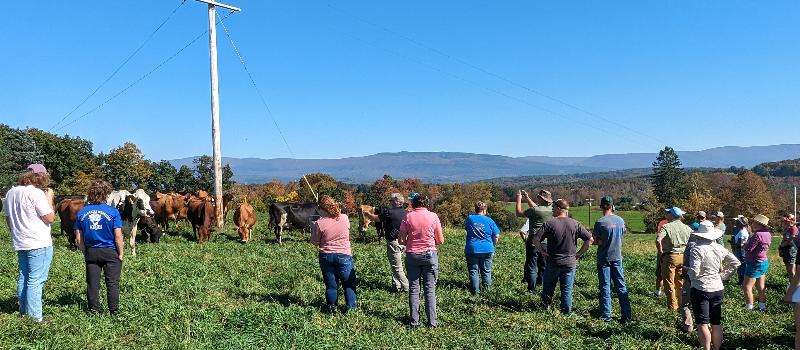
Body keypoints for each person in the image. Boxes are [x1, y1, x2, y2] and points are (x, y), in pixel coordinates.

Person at [3, 164, 55, 322]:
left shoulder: (10, 193)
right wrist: (50, 198)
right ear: (40, 177)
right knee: (35, 280)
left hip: (20, 241)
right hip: (38, 241)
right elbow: (50, 218)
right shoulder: (37, 193)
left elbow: (8, 219)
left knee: (23, 276)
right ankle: (35, 318)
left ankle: (24, 310)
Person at [531, 199, 593, 314]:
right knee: (566, 291)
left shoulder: (549, 223)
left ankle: (543, 310)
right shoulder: (575, 223)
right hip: (569, 263)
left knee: (548, 289)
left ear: (559, 209)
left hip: (553, 262)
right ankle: (566, 313)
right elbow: (590, 239)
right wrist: (579, 253)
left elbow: (535, 239)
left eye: (554, 207)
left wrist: (543, 252)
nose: (552, 210)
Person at [686, 221, 741, 350]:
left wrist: (688, 274)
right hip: (717, 288)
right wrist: (723, 276)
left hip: (701, 288)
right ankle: (717, 348)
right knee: (716, 322)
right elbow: (735, 262)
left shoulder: (697, 249)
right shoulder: (719, 247)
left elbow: (694, 270)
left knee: (702, 323)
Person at [74, 180, 124, 315]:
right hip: (110, 251)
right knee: (112, 282)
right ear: (106, 194)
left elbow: (79, 238)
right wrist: (120, 253)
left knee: (92, 283)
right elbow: (118, 235)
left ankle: (94, 310)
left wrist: (86, 252)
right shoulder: (113, 212)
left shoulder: (82, 212)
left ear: (91, 194)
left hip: (91, 252)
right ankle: (114, 311)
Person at [400, 193, 444, 327]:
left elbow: (401, 239)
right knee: (429, 289)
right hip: (429, 255)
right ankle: (432, 322)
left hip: (412, 255)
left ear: (413, 203)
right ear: (427, 203)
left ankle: (414, 321)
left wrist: (411, 243)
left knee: (414, 288)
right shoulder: (433, 216)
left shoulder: (408, 216)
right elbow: (440, 240)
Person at [311, 195, 357, 312]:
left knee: (331, 285)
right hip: (344, 255)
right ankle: (351, 309)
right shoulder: (344, 218)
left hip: (326, 256)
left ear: (322, 209)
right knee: (348, 283)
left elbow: (315, 242)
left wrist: (313, 229)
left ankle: (332, 309)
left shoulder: (319, 223)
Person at [592, 196, 632, 323]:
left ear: (601, 207)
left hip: (604, 259)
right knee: (621, 286)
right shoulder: (620, 220)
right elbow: (622, 234)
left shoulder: (600, 222)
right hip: (618, 257)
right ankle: (626, 316)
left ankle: (606, 317)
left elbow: (595, 241)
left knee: (605, 287)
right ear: (612, 206)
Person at [362, 193, 409, 292]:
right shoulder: (406, 213)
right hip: (404, 241)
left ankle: (407, 287)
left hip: (393, 242)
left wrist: (367, 214)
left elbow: (376, 218)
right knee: (395, 264)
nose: (389, 202)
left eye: (391, 200)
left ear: (396, 201)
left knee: (397, 267)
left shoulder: (389, 212)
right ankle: (397, 286)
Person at [515, 189, 553, 293]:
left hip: (533, 241)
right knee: (543, 265)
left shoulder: (535, 211)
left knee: (532, 266)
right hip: (546, 242)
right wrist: (527, 198)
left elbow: (519, 213)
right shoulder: (551, 209)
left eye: (538, 197)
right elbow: (536, 207)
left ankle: (531, 289)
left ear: (541, 198)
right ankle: (544, 286)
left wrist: (519, 200)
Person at [656, 207, 693, 310]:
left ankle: (673, 308)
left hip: (670, 256)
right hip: (683, 257)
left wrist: (660, 251)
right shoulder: (687, 228)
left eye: (668, 213)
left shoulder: (666, 227)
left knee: (669, 283)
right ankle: (683, 306)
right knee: (680, 283)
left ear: (672, 215)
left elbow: (658, 240)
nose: (666, 215)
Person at [464, 201, 501, 295]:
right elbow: (496, 235)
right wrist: (493, 245)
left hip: (472, 248)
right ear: (484, 210)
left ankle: (475, 293)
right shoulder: (490, 220)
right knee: (486, 271)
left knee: (473, 271)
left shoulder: (469, 218)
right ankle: (487, 292)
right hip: (487, 248)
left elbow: (467, 228)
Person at [742, 214, 773, 311]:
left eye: (754, 222)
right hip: (763, 261)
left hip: (754, 263)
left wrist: (744, 244)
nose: (752, 224)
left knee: (746, 286)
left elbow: (748, 248)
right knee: (761, 286)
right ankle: (762, 306)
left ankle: (749, 308)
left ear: (758, 224)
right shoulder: (768, 233)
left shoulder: (757, 234)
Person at [779, 214, 799, 286]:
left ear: (791, 221)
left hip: (791, 250)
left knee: (791, 271)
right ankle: (791, 284)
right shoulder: (787, 228)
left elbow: (792, 240)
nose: (784, 222)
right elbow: (785, 238)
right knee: (788, 269)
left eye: (786, 221)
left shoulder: (793, 228)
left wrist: (783, 244)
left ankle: (794, 287)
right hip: (786, 250)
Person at [731, 216, 750, 286]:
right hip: (741, 251)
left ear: (741, 223)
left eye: (738, 221)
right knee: (741, 266)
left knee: (742, 267)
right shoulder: (743, 231)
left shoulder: (742, 232)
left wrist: (733, 244)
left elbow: (740, 244)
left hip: (740, 251)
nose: (736, 222)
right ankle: (741, 281)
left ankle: (743, 282)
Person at [654, 217, 669, 297]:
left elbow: (658, 238)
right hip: (675, 252)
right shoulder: (681, 224)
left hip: (663, 250)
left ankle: (658, 291)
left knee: (660, 273)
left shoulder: (662, 222)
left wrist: (660, 251)